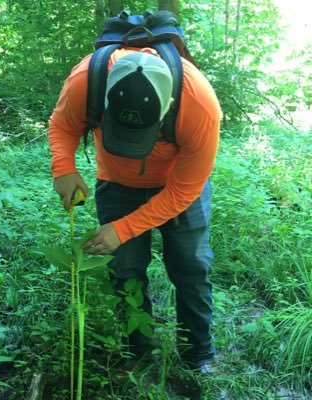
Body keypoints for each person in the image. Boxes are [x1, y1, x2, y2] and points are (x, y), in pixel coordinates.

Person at [48, 45, 220, 372]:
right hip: (117, 184)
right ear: (107, 98)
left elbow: (184, 190)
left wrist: (123, 229)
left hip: (178, 188)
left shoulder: (199, 105)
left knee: (192, 269)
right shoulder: (87, 81)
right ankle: (140, 352)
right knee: (124, 270)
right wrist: (63, 168)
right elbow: (62, 124)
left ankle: (198, 354)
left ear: (168, 105)